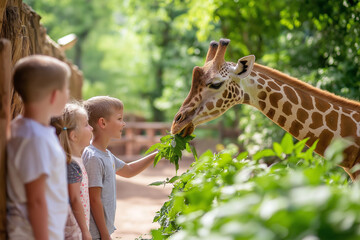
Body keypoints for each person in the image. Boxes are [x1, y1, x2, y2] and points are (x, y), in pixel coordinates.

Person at [6, 55, 70, 239]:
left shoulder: (29, 130)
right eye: (66, 89)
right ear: (54, 95)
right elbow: (35, 200)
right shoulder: (34, 139)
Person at [82, 96, 158, 240]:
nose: (123, 124)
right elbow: (94, 200)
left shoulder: (106, 154)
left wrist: (157, 154)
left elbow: (128, 170)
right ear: (103, 123)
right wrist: (104, 235)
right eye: (119, 119)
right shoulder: (93, 157)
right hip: (94, 233)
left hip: (102, 231)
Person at [50, 102, 93, 240]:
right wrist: (85, 231)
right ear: (74, 136)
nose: (91, 128)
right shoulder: (71, 165)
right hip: (73, 230)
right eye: (86, 124)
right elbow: (75, 199)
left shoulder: (73, 161)